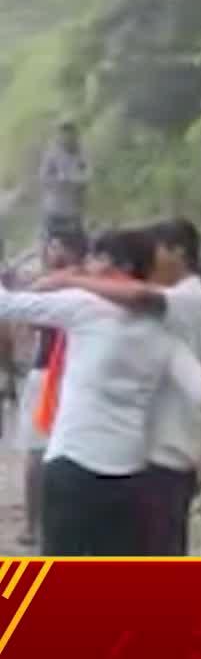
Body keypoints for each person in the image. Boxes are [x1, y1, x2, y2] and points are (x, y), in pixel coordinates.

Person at [48, 218, 201, 554]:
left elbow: (134, 295)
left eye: (156, 250)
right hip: (167, 457)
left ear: (177, 252)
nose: (150, 258)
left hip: (165, 457)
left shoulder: (182, 300)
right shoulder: (190, 310)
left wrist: (68, 281)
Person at [0, 228, 201, 555]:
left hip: (72, 462)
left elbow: (9, 306)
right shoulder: (165, 331)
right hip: (127, 472)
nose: (88, 263)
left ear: (123, 266)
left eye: (98, 257)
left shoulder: (83, 306)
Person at [12, 229, 86, 547]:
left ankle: (34, 524)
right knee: (50, 450)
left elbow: (26, 324)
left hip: (55, 374)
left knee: (39, 450)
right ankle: (42, 521)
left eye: (53, 246)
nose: (47, 251)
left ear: (69, 250)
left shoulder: (59, 285)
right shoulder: (90, 285)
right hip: (64, 374)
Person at [39, 121, 89, 242]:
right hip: (55, 209)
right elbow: (43, 178)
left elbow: (87, 173)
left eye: (71, 135)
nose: (68, 139)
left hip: (74, 209)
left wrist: (79, 181)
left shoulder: (82, 152)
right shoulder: (52, 154)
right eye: (65, 135)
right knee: (53, 243)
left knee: (80, 243)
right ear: (60, 136)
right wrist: (61, 181)